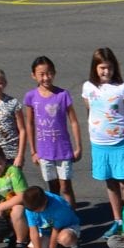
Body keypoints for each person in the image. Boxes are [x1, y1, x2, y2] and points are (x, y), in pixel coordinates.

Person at [83, 46, 124, 226]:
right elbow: (90, 110)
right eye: (102, 68)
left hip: (120, 142)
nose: (106, 72)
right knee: (110, 183)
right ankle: (118, 220)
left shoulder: (123, 87)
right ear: (95, 68)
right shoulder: (88, 87)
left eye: (109, 67)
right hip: (100, 143)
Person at [22, 55, 81, 205]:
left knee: (65, 186)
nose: (46, 78)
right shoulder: (31, 96)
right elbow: (30, 124)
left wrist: (78, 147)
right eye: (41, 74)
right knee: (53, 187)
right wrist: (33, 151)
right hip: (44, 151)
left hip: (63, 149)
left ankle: (71, 215)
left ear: (54, 73)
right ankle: (55, 215)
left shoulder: (62, 95)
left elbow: (74, 121)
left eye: (49, 73)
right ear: (33, 75)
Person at [19, 184, 82, 248]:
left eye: (37, 210)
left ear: (45, 202)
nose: (35, 212)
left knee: (66, 238)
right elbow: (33, 231)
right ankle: (57, 246)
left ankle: (74, 245)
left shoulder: (59, 206)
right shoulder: (30, 206)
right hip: (46, 231)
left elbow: (55, 231)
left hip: (65, 228)